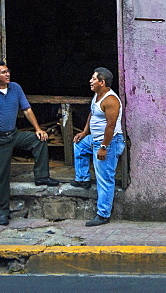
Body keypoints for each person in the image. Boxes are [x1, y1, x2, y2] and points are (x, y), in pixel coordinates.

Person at [0, 60, 61, 225]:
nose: (7, 74)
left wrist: (37, 128)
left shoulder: (15, 88)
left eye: (8, 71)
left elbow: (26, 109)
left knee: (39, 140)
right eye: (3, 72)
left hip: (13, 135)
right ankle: (2, 212)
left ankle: (42, 176)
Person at [71, 67, 125, 226]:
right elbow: (93, 113)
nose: (90, 81)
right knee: (79, 145)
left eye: (94, 79)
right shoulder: (97, 95)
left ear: (102, 83)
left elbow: (111, 126)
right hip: (95, 139)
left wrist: (103, 147)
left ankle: (103, 214)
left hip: (109, 142)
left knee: (105, 179)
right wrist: (84, 131)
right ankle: (83, 179)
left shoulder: (111, 100)